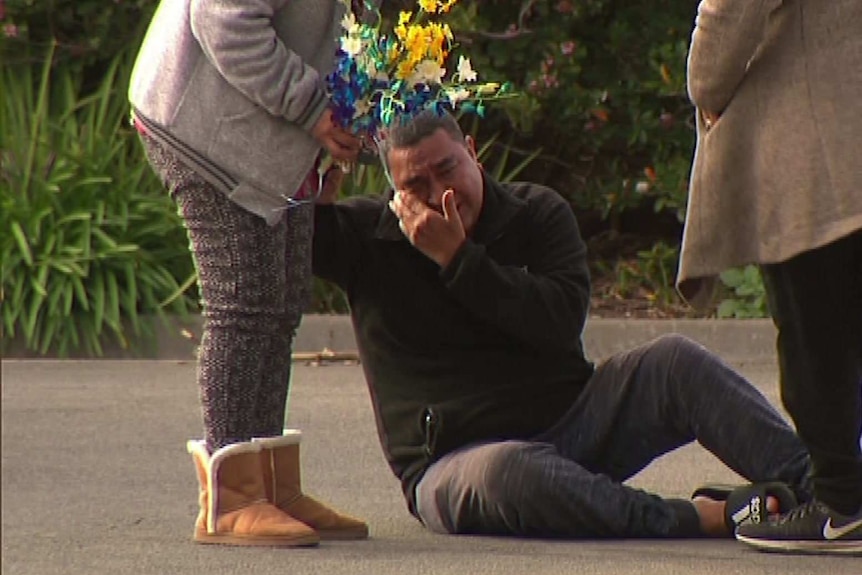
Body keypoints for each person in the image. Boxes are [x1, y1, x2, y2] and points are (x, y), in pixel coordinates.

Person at [312, 109, 812, 540]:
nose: (440, 193)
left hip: (573, 422)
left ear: (472, 149)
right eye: (415, 186)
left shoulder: (537, 213)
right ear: (393, 192)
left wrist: (460, 260)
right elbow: (282, 249)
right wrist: (315, 189)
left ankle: (826, 493)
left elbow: (558, 323)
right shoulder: (367, 240)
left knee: (674, 363)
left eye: (447, 169)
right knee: (510, 472)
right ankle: (701, 518)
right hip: (458, 464)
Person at [128, 0, 368, 547]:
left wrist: (330, 138)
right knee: (244, 305)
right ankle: (229, 500)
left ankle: (270, 485)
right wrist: (315, 110)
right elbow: (222, 22)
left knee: (281, 304)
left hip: (266, 134)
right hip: (203, 128)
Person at [678, 0, 862, 555]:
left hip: (813, 145)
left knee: (815, 336)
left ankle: (842, 506)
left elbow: (732, 11)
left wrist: (704, 84)